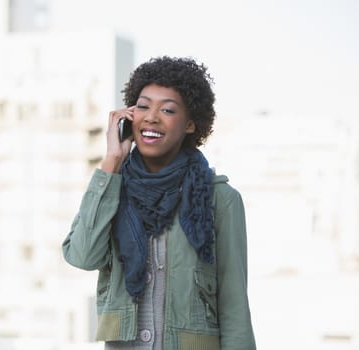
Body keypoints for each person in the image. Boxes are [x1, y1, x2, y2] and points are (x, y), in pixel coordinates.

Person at [62, 56, 256, 349]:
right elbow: (82, 256)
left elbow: (234, 306)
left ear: (190, 124)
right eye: (143, 106)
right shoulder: (111, 189)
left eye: (167, 109)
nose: (151, 117)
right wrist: (112, 162)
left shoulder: (221, 200)